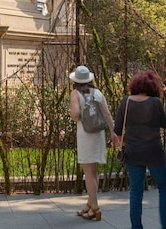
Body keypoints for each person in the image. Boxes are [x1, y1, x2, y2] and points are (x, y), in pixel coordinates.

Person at [113, 70, 166, 229]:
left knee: (136, 191)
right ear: (153, 87)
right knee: (165, 187)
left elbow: (117, 129)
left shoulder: (126, 102)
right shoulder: (155, 103)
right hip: (154, 153)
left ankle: (136, 226)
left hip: (133, 153)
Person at [68, 66, 116, 221]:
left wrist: (76, 115)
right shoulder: (98, 93)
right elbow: (107, 113)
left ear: (75, 81)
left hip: (85, 135)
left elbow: (75, 114)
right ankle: (89, 204)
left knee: (88, 173)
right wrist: (114, 133)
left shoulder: (75, 94)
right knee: (93, 171)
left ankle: (95, 206)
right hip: (98, 135)